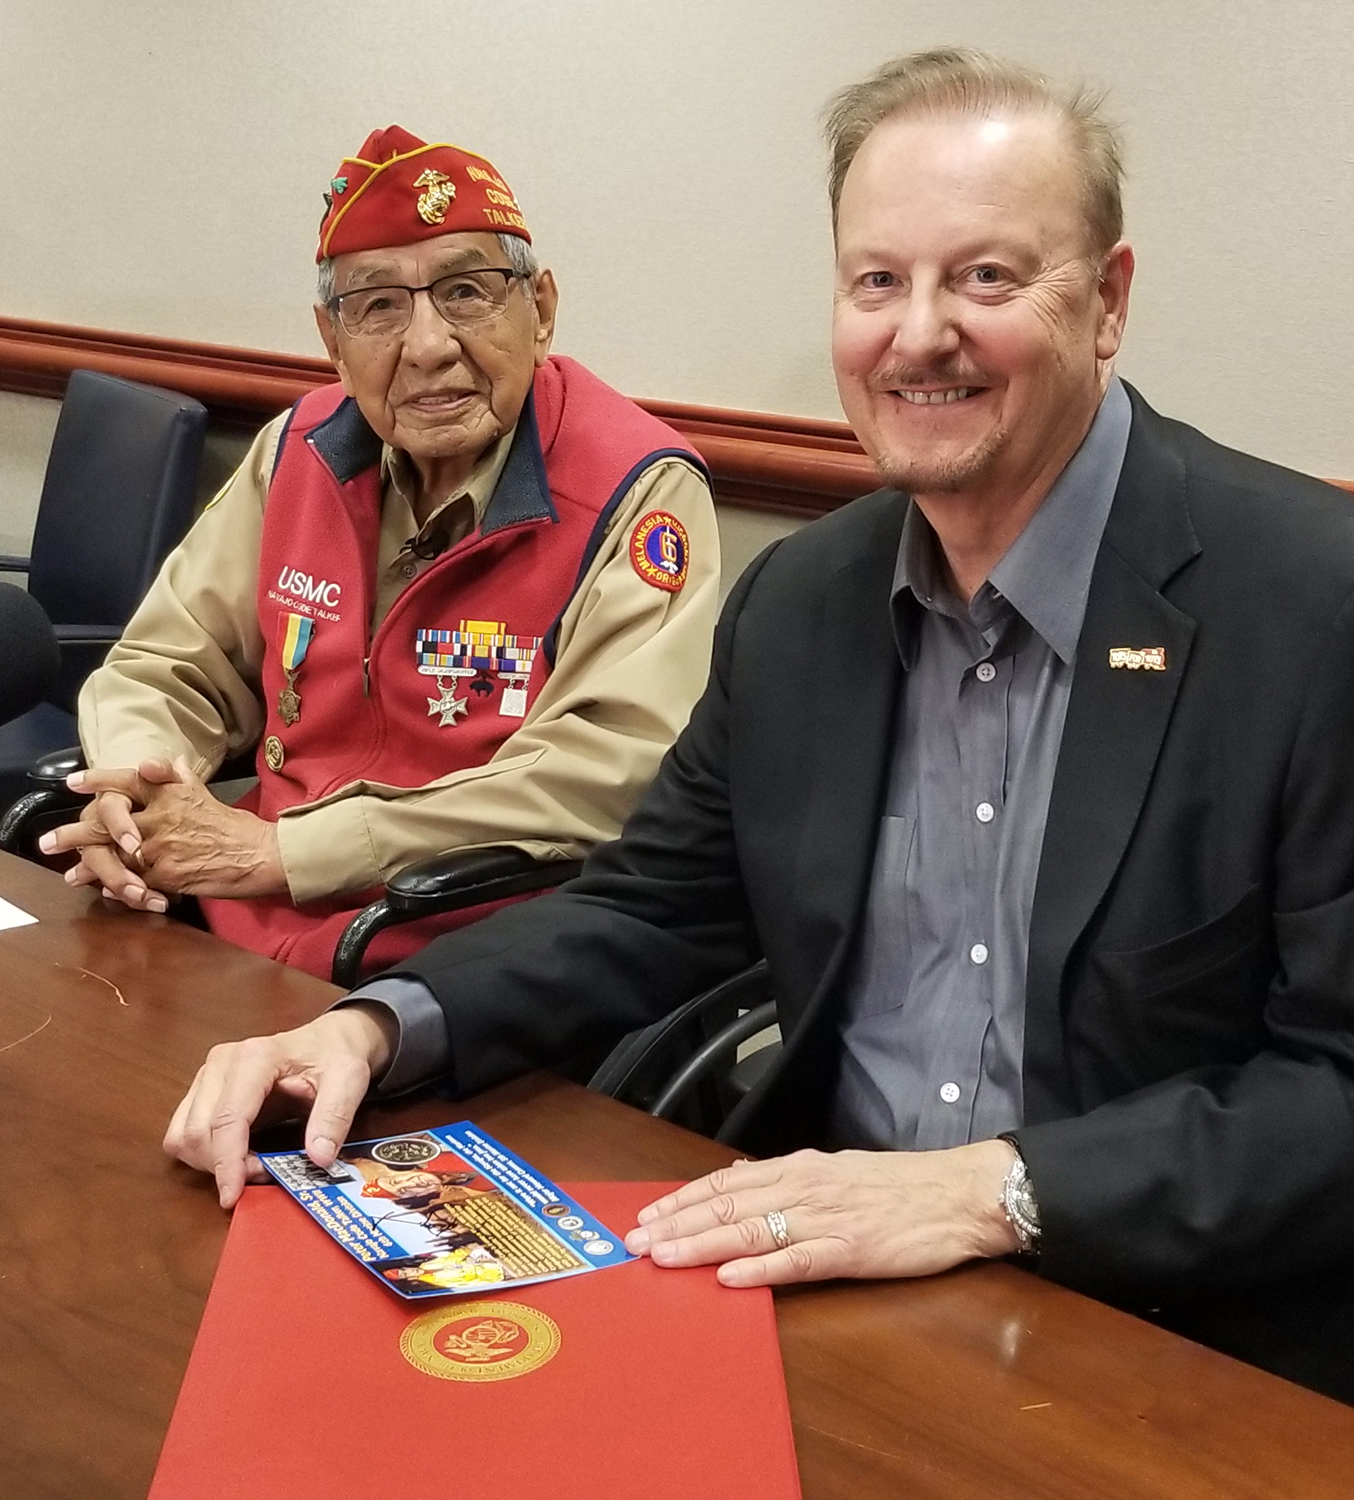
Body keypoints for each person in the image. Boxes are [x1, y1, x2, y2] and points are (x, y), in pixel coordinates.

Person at [166, 53, 1354, 1403]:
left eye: (985, 277)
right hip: (826, 1304)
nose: (918, 335)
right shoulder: (802, 601)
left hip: (1183, 1346)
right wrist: (377, 1027)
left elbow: (1337, 1087)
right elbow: (652, 910)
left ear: (1108, 302)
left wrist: (1000, 1193)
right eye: (876, 282)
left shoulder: (1311, 608)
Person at [44, 126, 718, 978]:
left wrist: (291, 853)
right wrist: (134, 798)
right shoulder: (299, 450)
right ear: (332, 339)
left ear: (541, 309)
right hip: (233, 923)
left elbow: (603, 774)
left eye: (467, 292)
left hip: (458, 955)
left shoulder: (640, 489)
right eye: (377, 307)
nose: (428, 345)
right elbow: (162, 663)